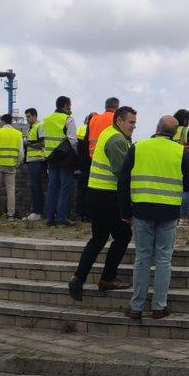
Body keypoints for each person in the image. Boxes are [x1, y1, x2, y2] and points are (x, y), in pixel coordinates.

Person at [118, 114, 189, 319]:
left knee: (142, 258)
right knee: (164, 259)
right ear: (174, 133)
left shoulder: (138, 147)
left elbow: (123, 180)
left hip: (142, 210)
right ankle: (159, 306)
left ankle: (136, 307)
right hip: (169, 211)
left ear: (157, 127)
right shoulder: (180, 152)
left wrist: (125, 212)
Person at [68, 106, 138, 301]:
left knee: (98, 239)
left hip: (96, 193)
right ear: (120, 121)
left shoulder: (109, 133)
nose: (134, 126)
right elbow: (123, 172)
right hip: (108, 196)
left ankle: (78, 278)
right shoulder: (116, 140)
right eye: (131, 122)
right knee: (123, 236)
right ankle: (107, 278)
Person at [43, 96, 78, 227]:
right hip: (64, 158)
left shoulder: (46, 119)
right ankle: (62, 218)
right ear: (66, 105)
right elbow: (73, 140)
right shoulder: (68, 119)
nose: (71, 108)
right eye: (70, 105)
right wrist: (77, 155)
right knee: (65, 187)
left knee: (52, 188)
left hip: (50, 157)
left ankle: (50, 218)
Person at [0, 113, 24, 218]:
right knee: (11, 190)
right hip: (11, 165)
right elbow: (21, 153)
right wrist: (16, 163)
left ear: (3, 121)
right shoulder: (18, 134)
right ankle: (10, 214)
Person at [23, 107, 46, 221]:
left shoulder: (39, 126)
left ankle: (37, 212)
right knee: (33, 186)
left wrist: (28, 144)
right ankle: (36, 211)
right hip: (31, 160)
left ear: (34, 116)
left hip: (37, 160)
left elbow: (43, 143)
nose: (27, 119)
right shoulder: (30, 129)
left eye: (28, 116)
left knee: (35, 186)